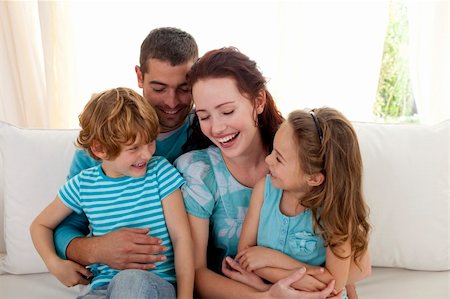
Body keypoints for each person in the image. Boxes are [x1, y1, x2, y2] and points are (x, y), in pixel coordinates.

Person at [174, 47, 345, 299]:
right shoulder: (198, 172)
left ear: (258, 102)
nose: (217, 127)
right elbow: (195, 273)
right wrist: (268, 295)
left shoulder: (299, 158)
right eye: (204, 116)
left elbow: (352, 263)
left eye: (228, 111)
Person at [53, 27, 199, 275]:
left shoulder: (211, 130)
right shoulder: (102, 147)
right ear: (139, 76)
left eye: (184, 89)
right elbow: (65, 228)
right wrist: (97, 249)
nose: (172, 102)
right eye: (159, 88)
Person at [30, 87, 194, 299]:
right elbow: (40, 225)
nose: (147, 153)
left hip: (156, 286)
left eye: (150, 142)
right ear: (99, 149)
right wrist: (54, 264)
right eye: (134, 148)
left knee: (130, 281)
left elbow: (182, 238)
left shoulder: (160, 172)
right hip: (103, 289)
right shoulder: (82, 185)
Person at [226, 108, 372, 298]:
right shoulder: (264, 190)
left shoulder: (334, 216)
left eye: (279, 158)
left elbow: (334, 284)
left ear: (313, 178)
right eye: (272, 151)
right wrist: (301, 279)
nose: (268, 160)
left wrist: (274, 259)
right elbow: (245, 257)